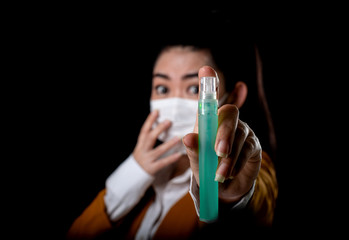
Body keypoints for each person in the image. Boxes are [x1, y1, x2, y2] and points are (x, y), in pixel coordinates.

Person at [66, 26, 278, 239]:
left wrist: (232, 197)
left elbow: (255, 202)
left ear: (234, 95)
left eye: (194, 88)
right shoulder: (145, 180)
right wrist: (132, 174)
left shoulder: (249, 167)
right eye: (162, 89)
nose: (174, 105)